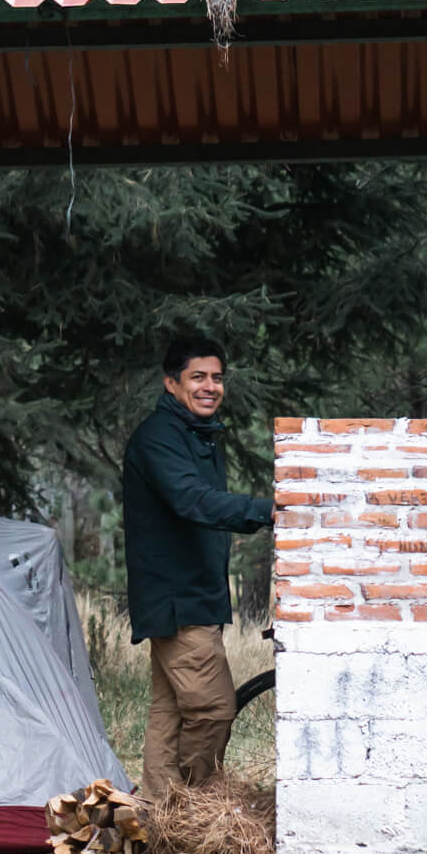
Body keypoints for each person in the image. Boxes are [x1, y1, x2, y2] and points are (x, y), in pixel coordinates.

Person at [121, 334, 272, 799]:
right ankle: (194, 806)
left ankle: (154, 808)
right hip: (177, 598)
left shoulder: (196, 435)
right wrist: (265, 510)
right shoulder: (160, 437)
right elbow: (192, 500)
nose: (211, 387)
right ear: (172, 383)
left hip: (195, 594)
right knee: (211, 710)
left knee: (169, 713)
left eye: (217, 378)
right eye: (198, 377)